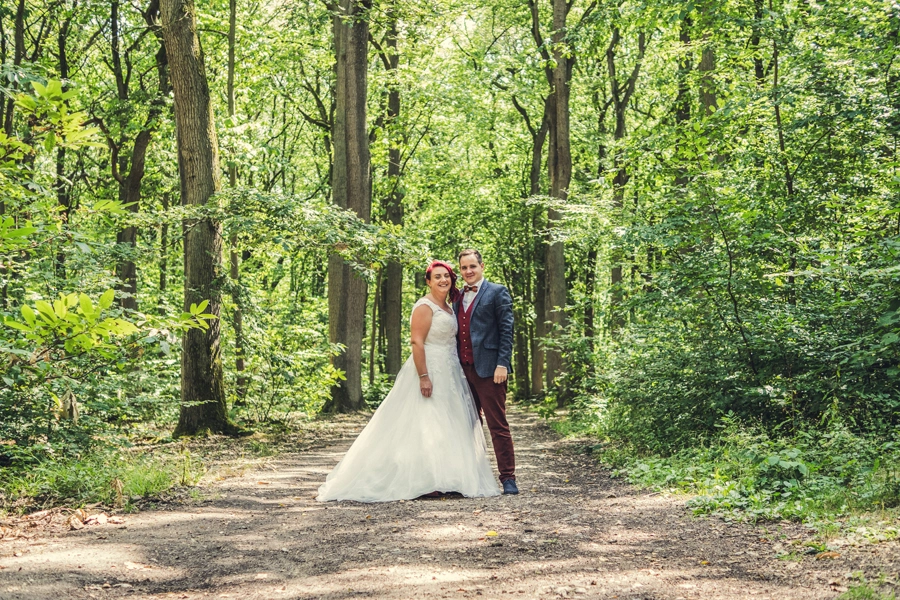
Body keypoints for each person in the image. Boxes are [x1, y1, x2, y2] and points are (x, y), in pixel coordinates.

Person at [316, 261, 500, 502]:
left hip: (451, 369)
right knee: (425, 421)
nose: (443, 280)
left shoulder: (448, 306)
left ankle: (447, 477)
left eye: (447, 276)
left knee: (448, 423)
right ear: (428, 281)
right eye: (437, 277)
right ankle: (425, 479)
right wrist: (424, 376)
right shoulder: (424, 306)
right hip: (429, 368)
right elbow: (417, 342)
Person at [455, 249, 518, 495]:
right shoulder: (458, 296)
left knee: (497, 425)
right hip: (462, 371)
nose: (468, 271)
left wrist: (502, 364)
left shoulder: (497, 291)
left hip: (491, 370)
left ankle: (508, 478)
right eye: (464, 268)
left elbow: (506, 330)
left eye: (472, 266)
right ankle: (471, 478)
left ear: (482, 266)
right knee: (467, 424)